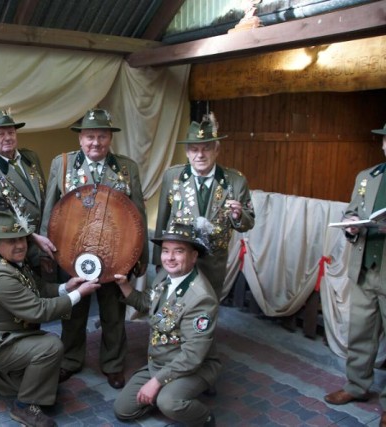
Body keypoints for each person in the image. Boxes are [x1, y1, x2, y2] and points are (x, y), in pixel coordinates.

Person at [39, 108, 149, 389]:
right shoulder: (62, 165)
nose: (95, 143)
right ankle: (70, 361)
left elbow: (138, 213)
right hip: (71, 254)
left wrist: (139, 255)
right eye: (89, 136)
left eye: (101, 136)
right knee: (73, 311)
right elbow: (49, 210)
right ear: (80, 139)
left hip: (115, 255)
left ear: (110, 138)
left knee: (113, 314)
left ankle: (113, 364)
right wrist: (46, 251)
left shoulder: (127, 168)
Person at [0, 211, 100, 427]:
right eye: (10, 241)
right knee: (51, 347)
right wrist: (79, 295)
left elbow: (40, 288)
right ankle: (24, 407)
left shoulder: (12, 261)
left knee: (48, 384)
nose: (19, 245)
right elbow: (38, 311)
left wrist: (67, 287)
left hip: (5, 337)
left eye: (21, 238)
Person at [113, 221, 220, 427]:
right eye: (165, 251)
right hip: (159, 361)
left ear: (194, 256)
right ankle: (165, 391)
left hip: (193, 366)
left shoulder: (201, 298)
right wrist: (124, 285)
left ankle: (204, 417)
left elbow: (192, 356)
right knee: (123, 410)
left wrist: (156, 382)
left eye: (178, 251)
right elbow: (148, 303)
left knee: (169, 403)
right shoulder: (165, 275)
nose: (170, 258)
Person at [153, 112, 255, 300]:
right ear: (187, 152)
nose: (200, 155)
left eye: (206, 148)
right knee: (172, 307)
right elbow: (163, 219)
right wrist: (158, 258)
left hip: (213, 262)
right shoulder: (172, 176)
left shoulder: (235, 181)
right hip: (177, 258)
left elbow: (248, 223)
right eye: (194, 149)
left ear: (217, 150)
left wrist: (238, 216)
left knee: (205, 311)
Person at [324, 123, 386, 425]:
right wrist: (349, 223)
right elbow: (351, 211)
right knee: (360, 333)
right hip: (364, 268)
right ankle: (357, 386)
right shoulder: (367, 177)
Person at [0, 109, 53, 271]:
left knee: (44, 292)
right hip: (9, 250)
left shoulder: (30, 157)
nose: (8, 137)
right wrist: (33, 237)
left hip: (40, 245)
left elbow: (42, 199)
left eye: (11, 132)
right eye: (1, 134)